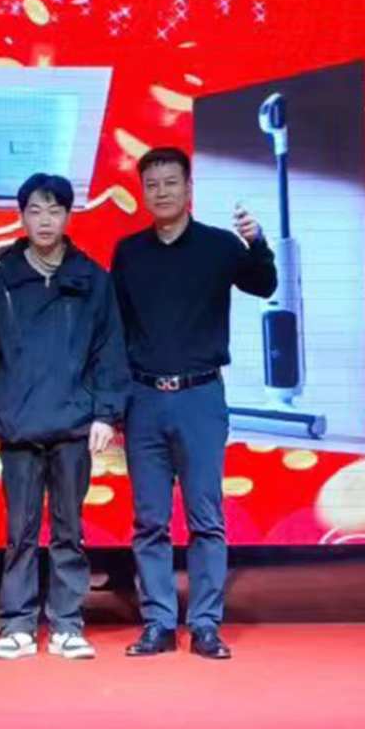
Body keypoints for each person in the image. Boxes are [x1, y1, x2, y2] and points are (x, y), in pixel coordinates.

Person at [111, 146, 276, 660]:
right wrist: (114, 404)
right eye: (152, 184)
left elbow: (264, 284)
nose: (161, 192)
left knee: (206, 518)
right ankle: (158, 623)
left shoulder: (219, 245)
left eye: (170, 182)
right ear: (143, 192)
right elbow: (116, 329)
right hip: (143, 399)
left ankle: (205, 624)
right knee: (150, 521)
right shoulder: (128, 252)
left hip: (201, 397)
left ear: (188, 188)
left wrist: (257, 242)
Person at [0, 173, 130, 661]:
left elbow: (110, 349)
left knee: (68, 530)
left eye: (54, 210)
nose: (44, 220)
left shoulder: (91, 277)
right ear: (21, 216)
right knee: (19, 532)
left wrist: (106, 414)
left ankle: (66, 624)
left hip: (74, 425)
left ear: (68, 215)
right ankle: (17, 624)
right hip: (19, 424)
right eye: (35, 211)